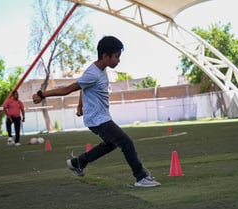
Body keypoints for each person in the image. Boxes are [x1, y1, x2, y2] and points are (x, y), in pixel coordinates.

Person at [32, 36, 161, 188]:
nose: (118, 60)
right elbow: (68, 89)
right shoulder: (93, 74)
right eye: (117, 57)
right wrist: (42, 95)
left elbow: (83, 87)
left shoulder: (99, 69)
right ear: (105, 56)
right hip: (98, 120)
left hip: (99, 117)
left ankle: (78, 162)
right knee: (126, 143)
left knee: (111, 144)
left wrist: (80, 105)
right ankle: (141, 177)